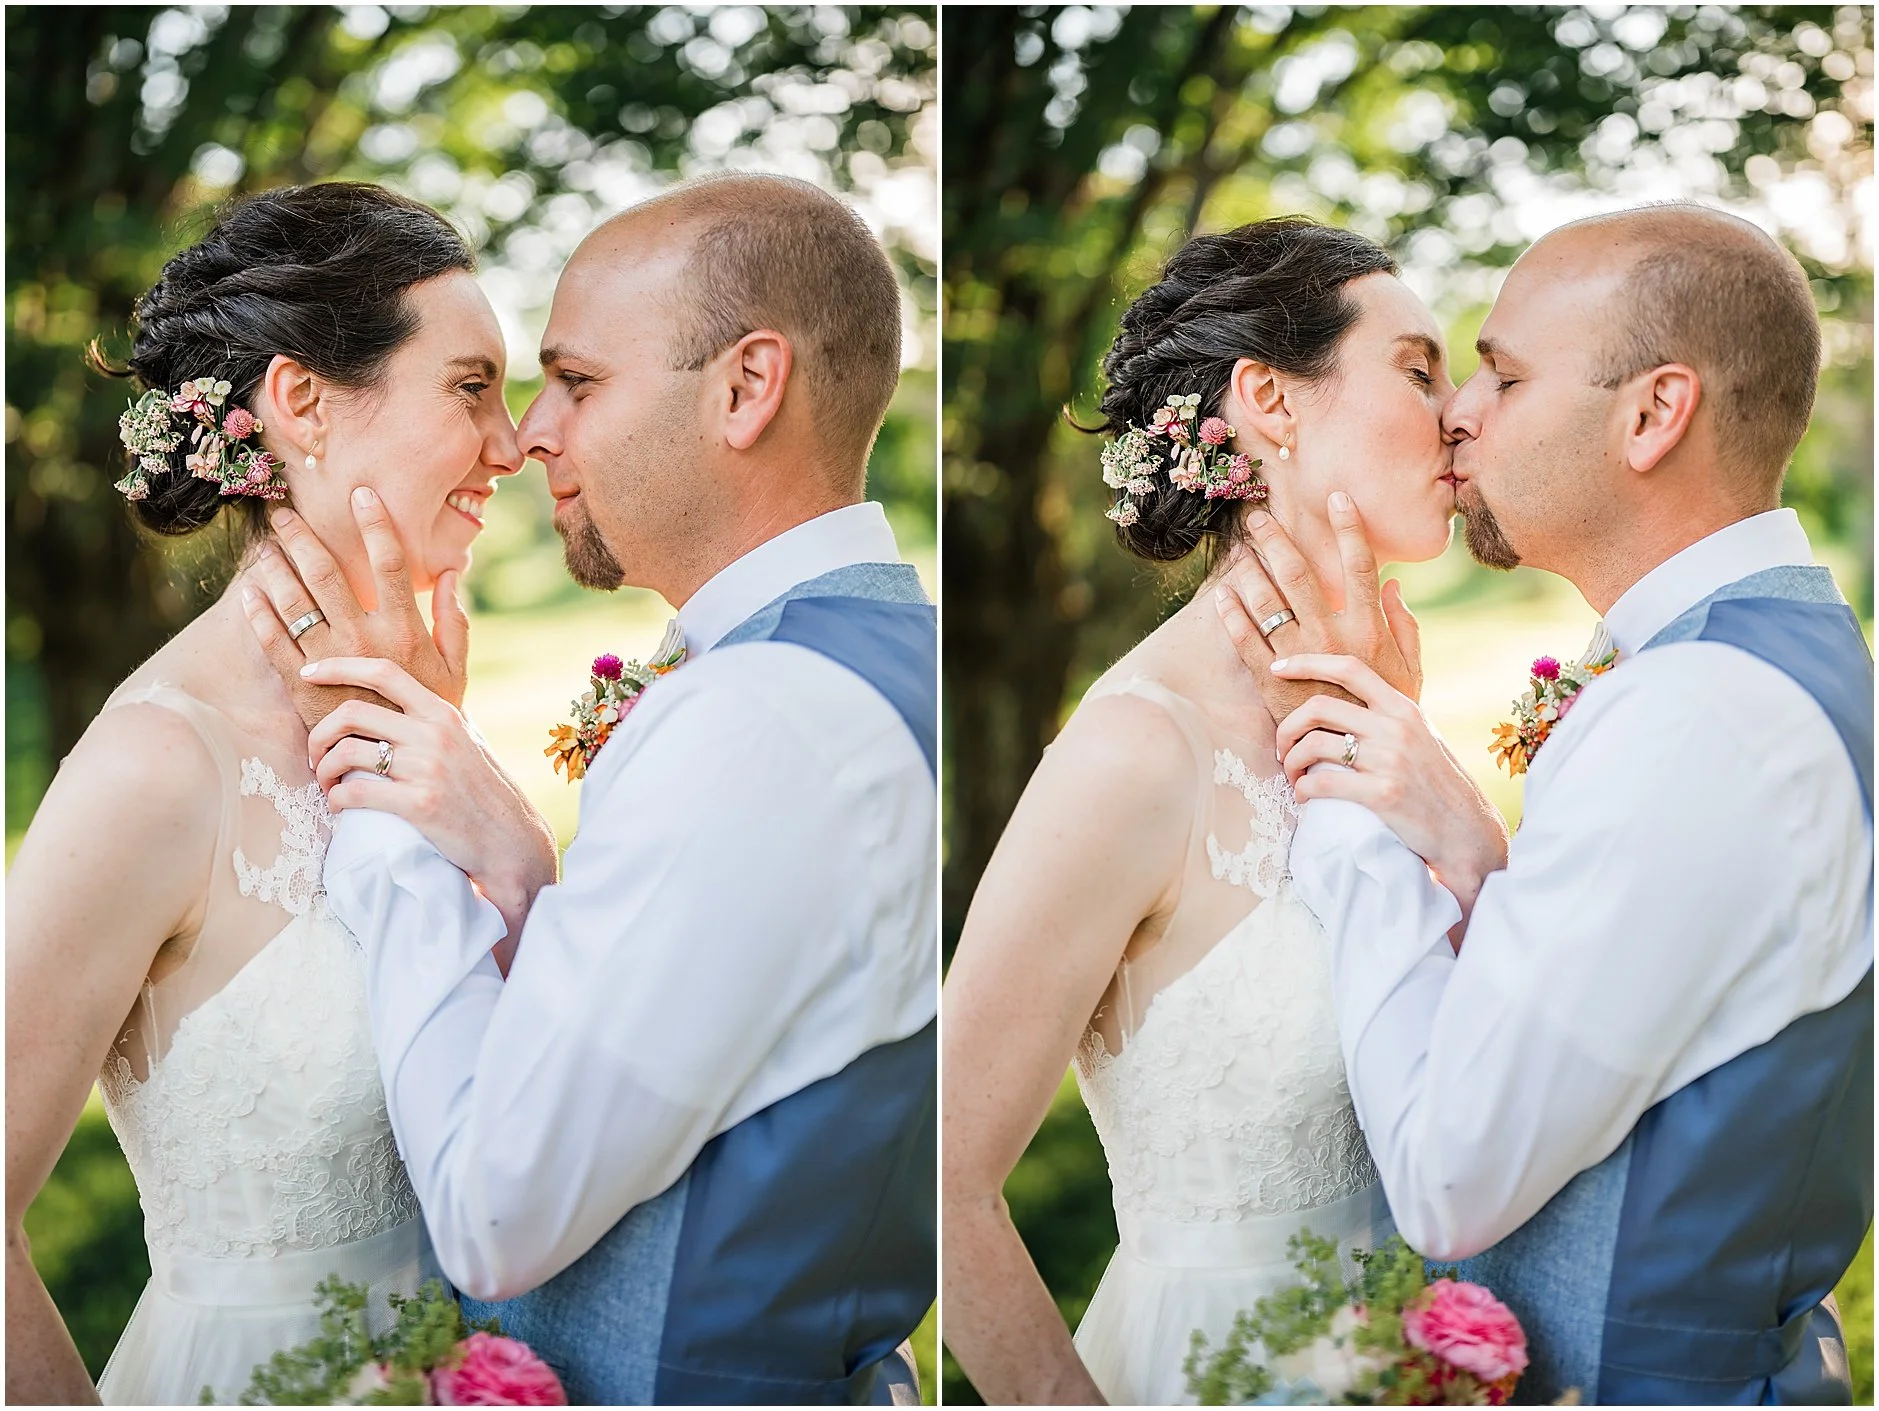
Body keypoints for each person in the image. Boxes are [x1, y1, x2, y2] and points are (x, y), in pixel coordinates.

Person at [243, 172, 938, 1405]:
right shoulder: (864, 656)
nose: (530, 436)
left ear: (746, 386)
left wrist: (386, 807)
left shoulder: (761, 714)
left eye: (577, 382)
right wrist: (518, 869)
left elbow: (493, 1213)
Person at [1219, 203, 1871, 1402]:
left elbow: (1448, 1179)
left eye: (1502, 376)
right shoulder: (1770, 650)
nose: (1456, 414)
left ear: (1651, 414)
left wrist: (1348, 810)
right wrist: (1469, 841)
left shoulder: (1693, 712)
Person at [6, 181, 527, 1405]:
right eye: (471, 387)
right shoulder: (157, 763)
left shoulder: (419, 707)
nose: (515, 442)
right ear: (301, 402)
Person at [942, 217, 1460, 1404]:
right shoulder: (1136, 751)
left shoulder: (1392, 702)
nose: (1460, 412)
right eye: (1419, 369)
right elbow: (940, 1180)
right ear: (1269, 401)